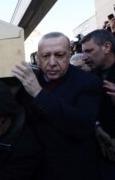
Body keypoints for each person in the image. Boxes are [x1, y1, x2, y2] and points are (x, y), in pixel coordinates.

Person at [12, 32, 102, 180]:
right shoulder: (29, 80)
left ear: (69, 55)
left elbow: (83, 126)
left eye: (59, 55)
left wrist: (38, 93)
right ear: (38, 59)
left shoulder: (88, 82)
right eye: (46, 56)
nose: (52, 62)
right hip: (38, 169)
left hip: (75, 170)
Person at [81, 29, 115, 179]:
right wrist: (97, 128)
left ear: (106, 47)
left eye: (89, 51)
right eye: (83, 52)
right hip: (103, 154)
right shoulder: (89, 78)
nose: (84, 57)